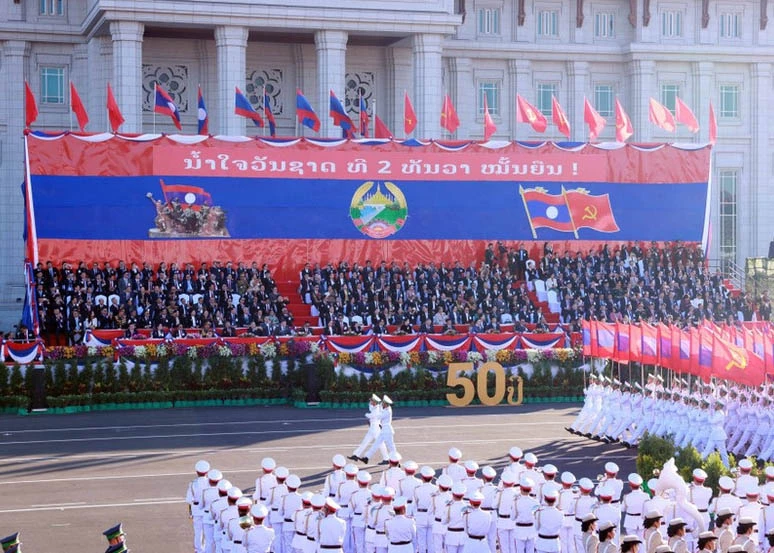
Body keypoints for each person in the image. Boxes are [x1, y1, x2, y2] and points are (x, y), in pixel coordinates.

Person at [349, 394, 388, 464]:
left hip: (376, 429)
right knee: (365, 442)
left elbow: (370, 415)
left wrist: (366, 414)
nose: (370, 402)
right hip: (372, 428)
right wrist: (371, 402)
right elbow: (370, 407)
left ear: (375, 402)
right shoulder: (374, 407)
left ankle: (386, 459)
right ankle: (356, 455)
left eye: (371, 401)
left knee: (380, 444)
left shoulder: (377, 409)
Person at [361, 396, 397, 464]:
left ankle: (396, 461)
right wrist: (373, 403)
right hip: (383, 430)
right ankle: (366, 458)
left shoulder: (388, 411)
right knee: (376, 444)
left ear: (386, 404)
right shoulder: (385, 408)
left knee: (391, 447)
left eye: (383, 403)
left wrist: (368, 415)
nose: (381, 403)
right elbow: (374, 408)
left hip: (387, 431)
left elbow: (378, 416)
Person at [186, 460, 211, 553]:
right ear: (207, 472)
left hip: (196, 510)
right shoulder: (210, 483)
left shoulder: (193, 484)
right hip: (208, 510)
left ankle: (198, 550)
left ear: (196, 472)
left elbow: (189, 499)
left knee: (198, 532)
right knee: (208, 532)